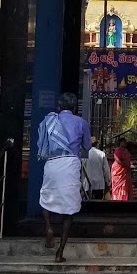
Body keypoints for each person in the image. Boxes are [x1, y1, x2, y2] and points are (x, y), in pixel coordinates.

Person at [37, 94, 92, 262]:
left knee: (45, 198)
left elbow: (41, 144)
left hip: (52, 164)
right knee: (70, 210)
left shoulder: (49, 121)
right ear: (75, 108)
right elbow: (87, 147)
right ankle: (59, 253)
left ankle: (48, 227)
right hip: (70, 165)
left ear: (59, 107)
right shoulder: (81, 122)